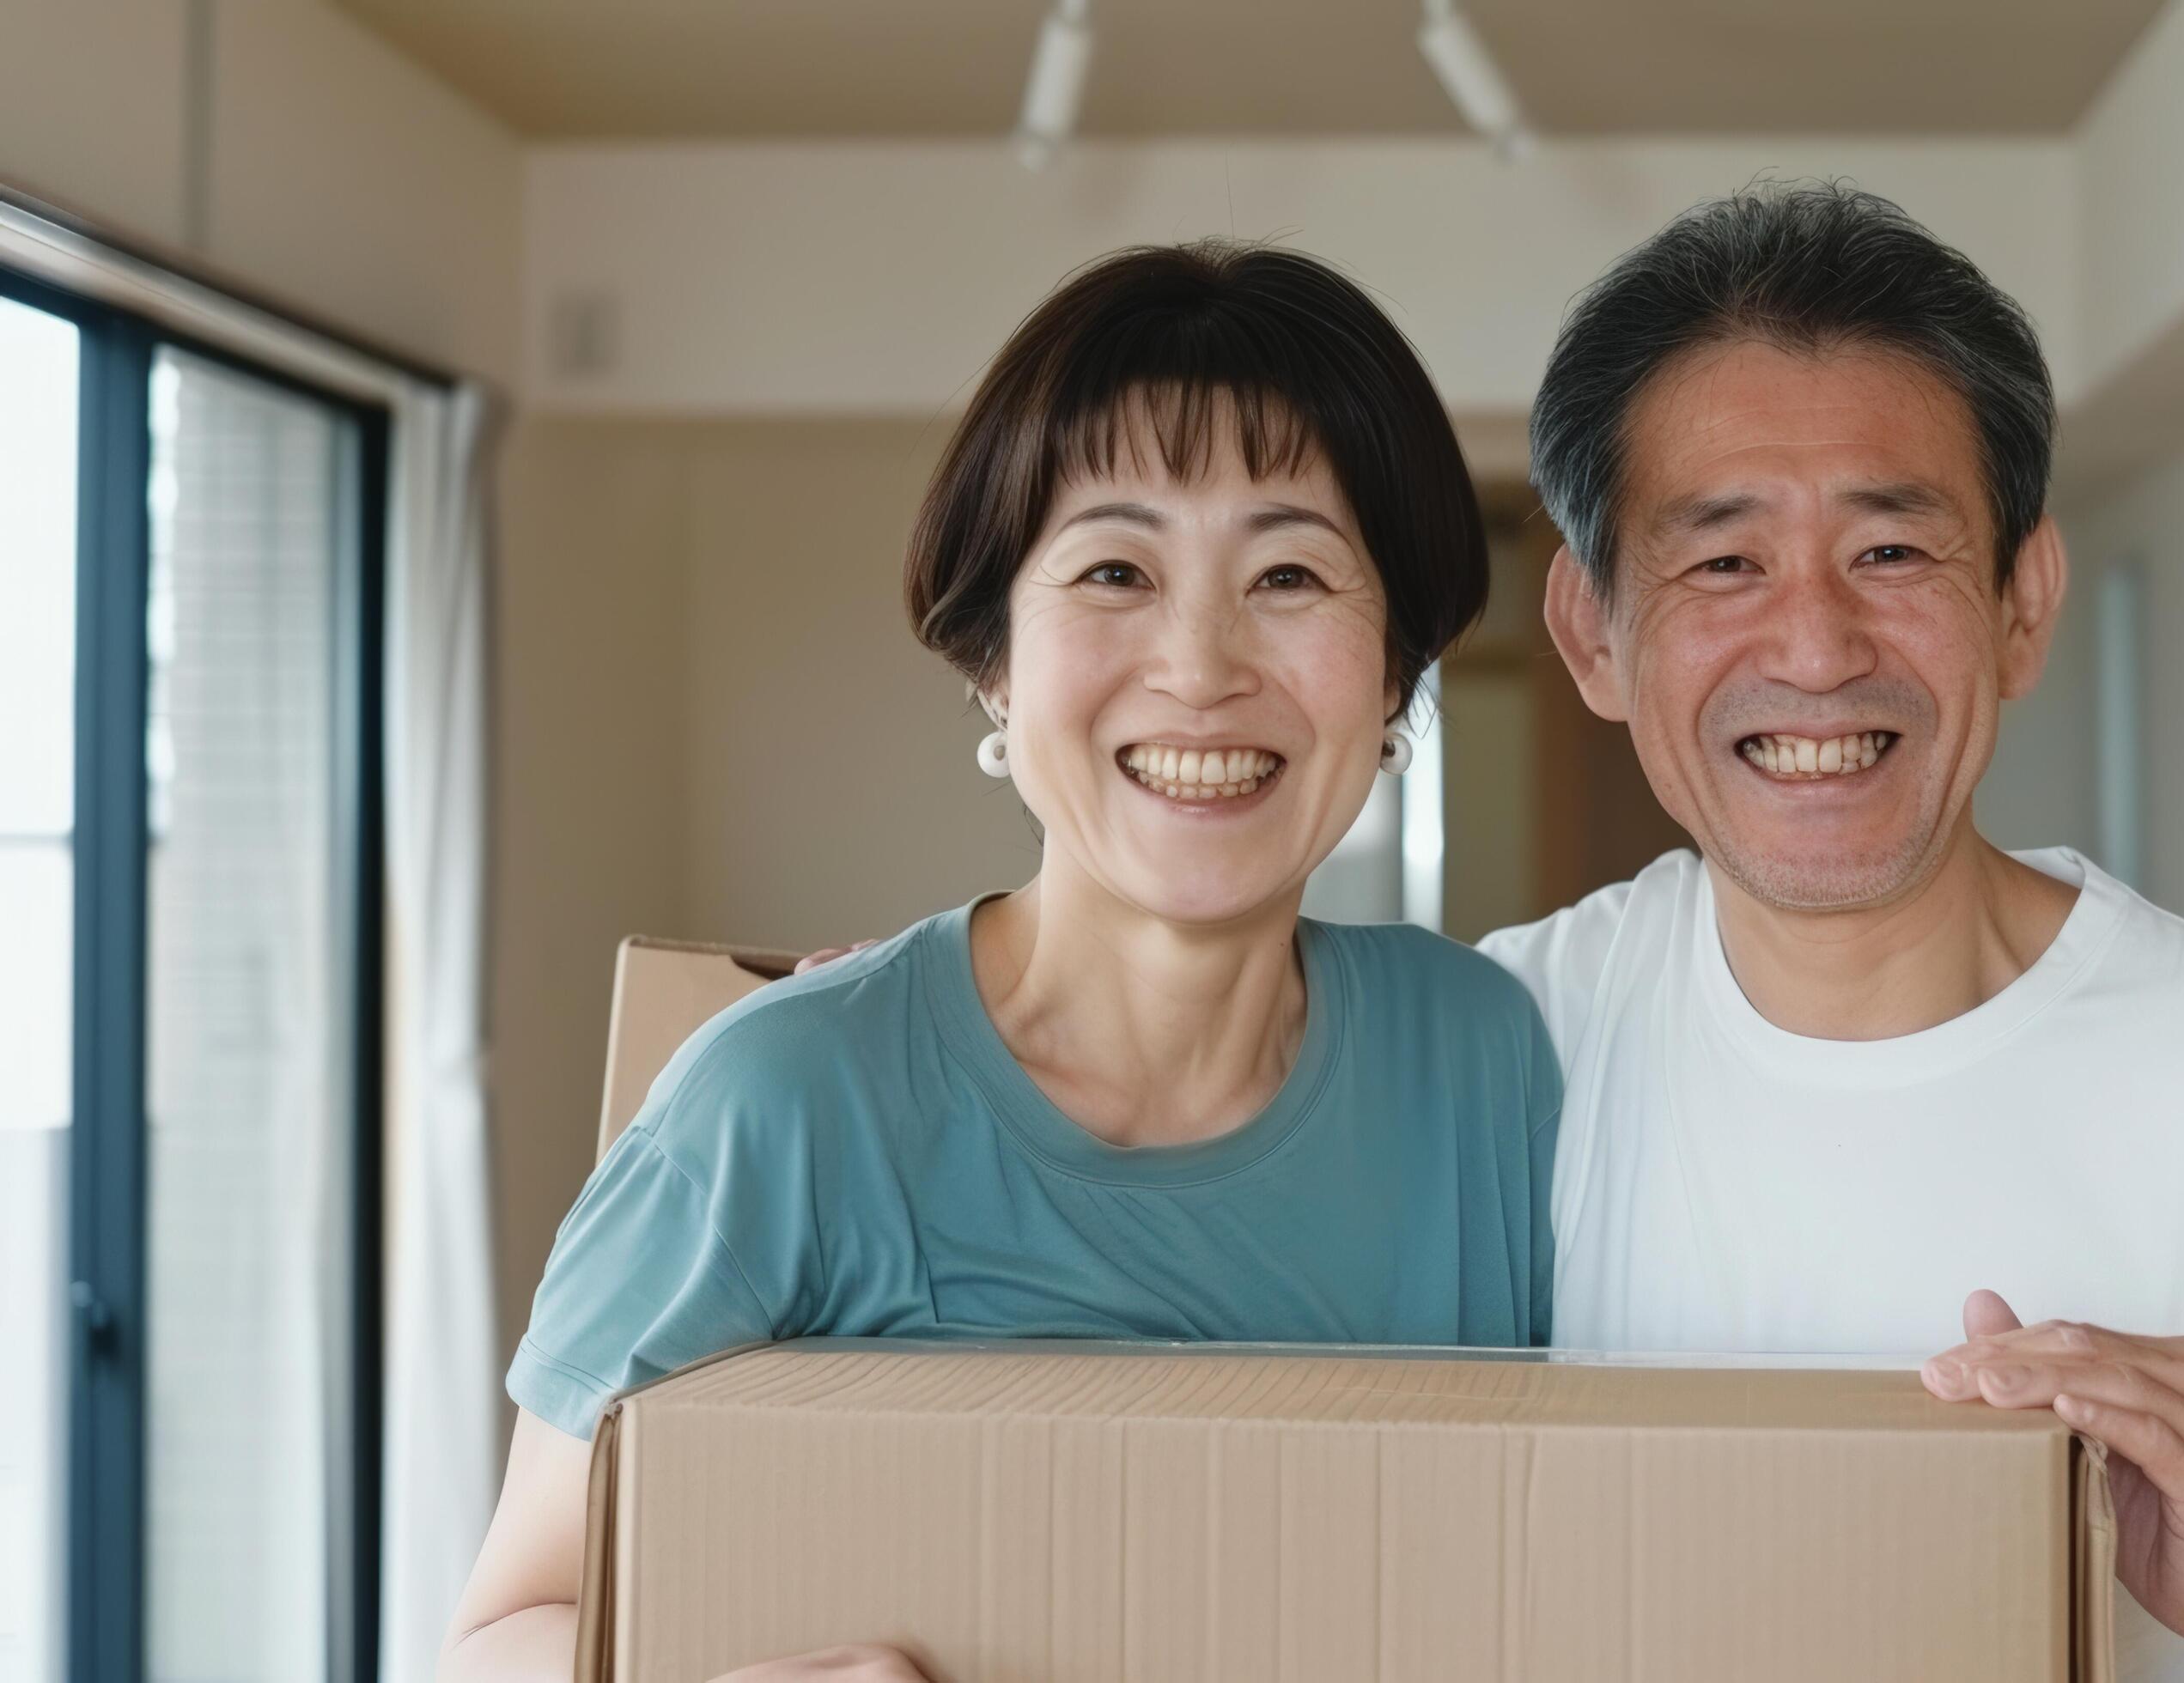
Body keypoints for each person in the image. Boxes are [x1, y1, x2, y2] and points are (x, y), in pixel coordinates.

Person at [1473, 182, 2184, 1681]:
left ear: (2022, 605)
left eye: (1892, 553)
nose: (1814, 647)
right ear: (1593, 633)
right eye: (1723, 560)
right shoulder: (1487, 1054)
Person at [439, 243, 1558, 1681]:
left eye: (1289, 573)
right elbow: (491, 1638)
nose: (1201, 664)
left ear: (1395, 669)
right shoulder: (787, 1101)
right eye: (1114, 569)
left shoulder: (1484, 1062)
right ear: (994, 662)